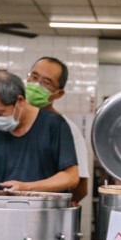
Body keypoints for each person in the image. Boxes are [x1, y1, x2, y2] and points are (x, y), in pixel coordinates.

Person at [0, 70, 79, 193]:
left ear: (20, 101)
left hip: (46, 210)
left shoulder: (54, 125)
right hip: (4, 210)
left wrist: (27, 188)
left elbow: (71, 177)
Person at [26, 56, 91, 204]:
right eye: (34, 77)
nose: (36, 85)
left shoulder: (67, 129)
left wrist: (55, 208)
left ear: (59, 93)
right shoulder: (7, 121)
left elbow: (80, 187)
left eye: (46, 82)